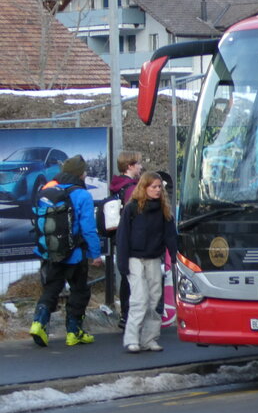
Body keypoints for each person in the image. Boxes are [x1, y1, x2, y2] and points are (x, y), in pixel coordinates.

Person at [29, 154, 102, 348]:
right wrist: (95, 254)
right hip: (74, 254)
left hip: (51, 252)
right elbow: (88, 229)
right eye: (84, 171)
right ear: (80, 174)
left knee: (52, 288)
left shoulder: (48, 190)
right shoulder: (82, 195)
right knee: (79, 290)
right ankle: (73, 331)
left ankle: (38, 323)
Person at [117, 172, 178, 353]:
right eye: (153, 187)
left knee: (154, 299)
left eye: (159, 187)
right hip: (134, 258)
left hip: (154, 258)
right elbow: (123, 236)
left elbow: (170, 236)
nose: (157, 190)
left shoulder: (164, 210)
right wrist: (122, 263)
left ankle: (149, 339)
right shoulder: (132, 208)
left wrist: (174, 256)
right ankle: (132, 339)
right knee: (139, 298)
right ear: (144, 188)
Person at [108, 151, 143, 328]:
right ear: (130, 166)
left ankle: (125, 315)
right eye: (138, 164)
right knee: (135, 278)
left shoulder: (116, 186)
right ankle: (131, 315)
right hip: (132, 240)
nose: (141, 167)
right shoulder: (132, 189)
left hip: (119, 238)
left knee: (126, 277)